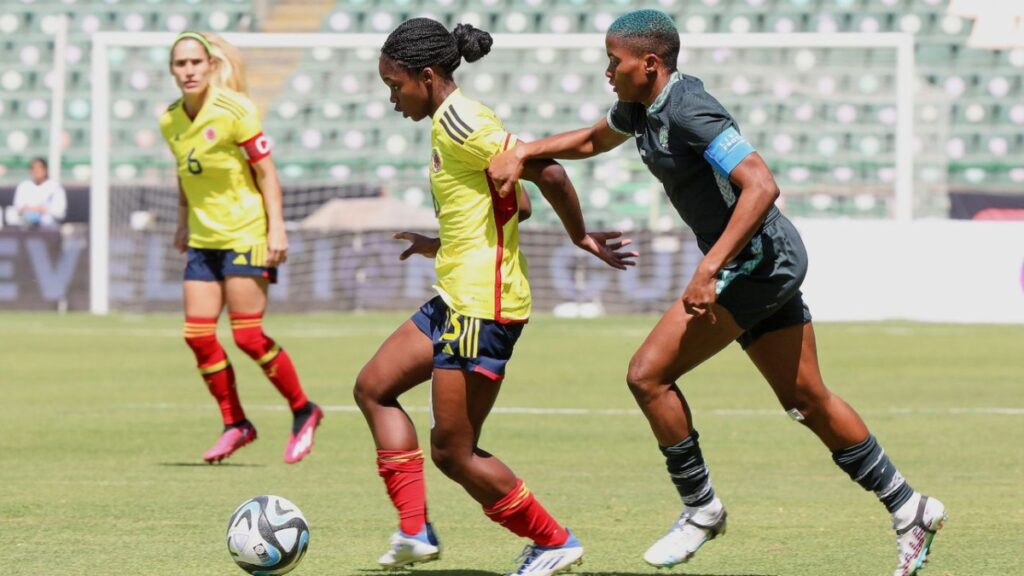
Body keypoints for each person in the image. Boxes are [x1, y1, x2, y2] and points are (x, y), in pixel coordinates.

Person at [487, 10, 945, 576]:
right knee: (807, 398)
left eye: (615, 60)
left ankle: (701, 509)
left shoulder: (689, 108)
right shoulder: (640, 108)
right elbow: (591, 138)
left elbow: (761, 183)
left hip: (755, 263)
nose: (608, 71)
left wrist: (709, 269)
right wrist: (525, 151)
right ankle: (911, 508)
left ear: (649, 64)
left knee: (646, 374)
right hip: (762, 263)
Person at [353, 18, 637, 576]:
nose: (392, 100)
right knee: (373, 388)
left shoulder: (462, 121)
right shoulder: (445, 124)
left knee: (453, 452)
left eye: (394, 86)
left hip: (481, 306)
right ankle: (414, 530)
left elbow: (546, 173)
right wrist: (443, 241)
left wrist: (579, 235)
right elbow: (517, 202)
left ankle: (553, 541)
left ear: (427, 75)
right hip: (456, 294)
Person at [159, 31, 323, 465]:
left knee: (248, 335)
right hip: (202, 238)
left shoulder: (236, 110)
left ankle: (304, 410)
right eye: (180, 64)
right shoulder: (170, 119)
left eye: (196, 62)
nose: (189, 70)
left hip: (246, 233)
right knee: (196, 334)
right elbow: (183, 174)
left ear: (211, 66)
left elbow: (267, 174)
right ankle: (236, 424)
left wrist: (277, 229)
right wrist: (181, 222)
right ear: (172, 71)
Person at [12, 157, 67, 229]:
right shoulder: (24, 186)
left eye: (39, 168)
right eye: (33, 168)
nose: (36, 171)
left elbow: (60, 212)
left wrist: (43, 209)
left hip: (49, 228)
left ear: (45, 169)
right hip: (25, 227)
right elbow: (18, 206)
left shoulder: (55, 187)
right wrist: (32, 209)